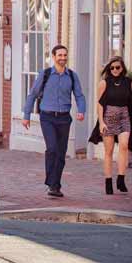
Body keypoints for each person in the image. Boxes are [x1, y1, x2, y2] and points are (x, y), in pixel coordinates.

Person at [22, 44, 86, 198]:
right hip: (47, 117)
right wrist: (26, 116)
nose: (63, 58)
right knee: (52, 148)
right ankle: (51, 183)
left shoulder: (71, 75)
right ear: (54, 57)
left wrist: (81, 110)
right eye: (60, 55)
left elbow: (79, 95)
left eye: (65, 55)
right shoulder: (45, 74)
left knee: (61, 153)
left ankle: (55, 186)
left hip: (64, 118)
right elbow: (32, 95)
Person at [90, 57, 132, 195]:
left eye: (118, 67)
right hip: (109, 117)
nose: (115, 70)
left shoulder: (128, 82)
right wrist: (101, 122)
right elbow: (99, 104)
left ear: (122, 68)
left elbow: (131, 101)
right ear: (109, 69)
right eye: (112, 68)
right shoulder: (104, 83)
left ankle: (121, 179)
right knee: (109, 151)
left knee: (124, 146)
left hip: (125, 116)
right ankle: (108, 182)